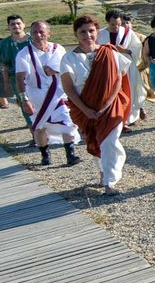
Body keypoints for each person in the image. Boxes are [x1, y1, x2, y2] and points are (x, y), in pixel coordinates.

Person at [61, 14, 132, 195]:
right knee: (96, 139)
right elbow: (68, 88)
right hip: (84, 108)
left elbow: (118, 79)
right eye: (82, 32)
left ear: (97, 31)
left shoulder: (109, 52)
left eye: (91, 31)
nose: (88, 35)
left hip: (110, 106)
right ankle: (103, 171)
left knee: (109, 141)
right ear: (76, 34)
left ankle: (110, 182)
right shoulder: (68, 58)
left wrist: (107, 104)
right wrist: (87, 110)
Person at [16, 20, 83, 167]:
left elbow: (68, 69)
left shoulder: (58, 49)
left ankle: (70, 154)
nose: (38, 35)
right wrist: (24, 99)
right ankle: (45, 154)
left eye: (41, 32)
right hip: (36, 95)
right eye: (34, 32)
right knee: (40, 126)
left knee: (67, 121)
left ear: (48, 33)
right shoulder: (24, 54)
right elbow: (20, 77)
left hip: (58, 93)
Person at [98, 10, 146, 127]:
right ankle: (111, 118)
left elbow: (137, 48)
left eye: (118, 24)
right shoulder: (100, 34)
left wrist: (124, 50)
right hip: (107, 68)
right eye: (113, 24)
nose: (116, 27)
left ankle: (126, 119)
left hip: (127, 68)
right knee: (110, 93)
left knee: (127, 92)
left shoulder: (128, 33)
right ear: (108, 22)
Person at [0, 14, 31, 118]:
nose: (16, 26)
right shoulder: (4, 44)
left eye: (18, 23)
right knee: (24, 102)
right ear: (9, 27)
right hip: (17, 80)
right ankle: (32, 127)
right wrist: (6, 82)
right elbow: (4, 65)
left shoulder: (33, 40)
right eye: (12, 24)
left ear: (24, 25)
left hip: (37, 77)